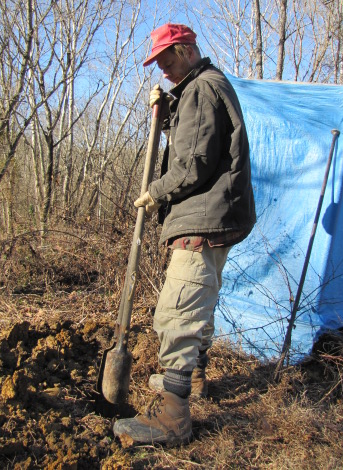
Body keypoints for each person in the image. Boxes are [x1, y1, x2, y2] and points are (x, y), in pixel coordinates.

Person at [113, 23, 256, 445]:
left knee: (179, 309)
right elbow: (198, 135)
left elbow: (193, 161)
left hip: (201, 216)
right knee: (199, 301)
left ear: (187, 49)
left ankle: (173, 416)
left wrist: (154, 194)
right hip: (213, 216)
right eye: (158, 64)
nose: (164, 70)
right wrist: (169, 106)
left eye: (167, 60)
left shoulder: (201, 89)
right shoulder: (205, 86)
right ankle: (191, 378)